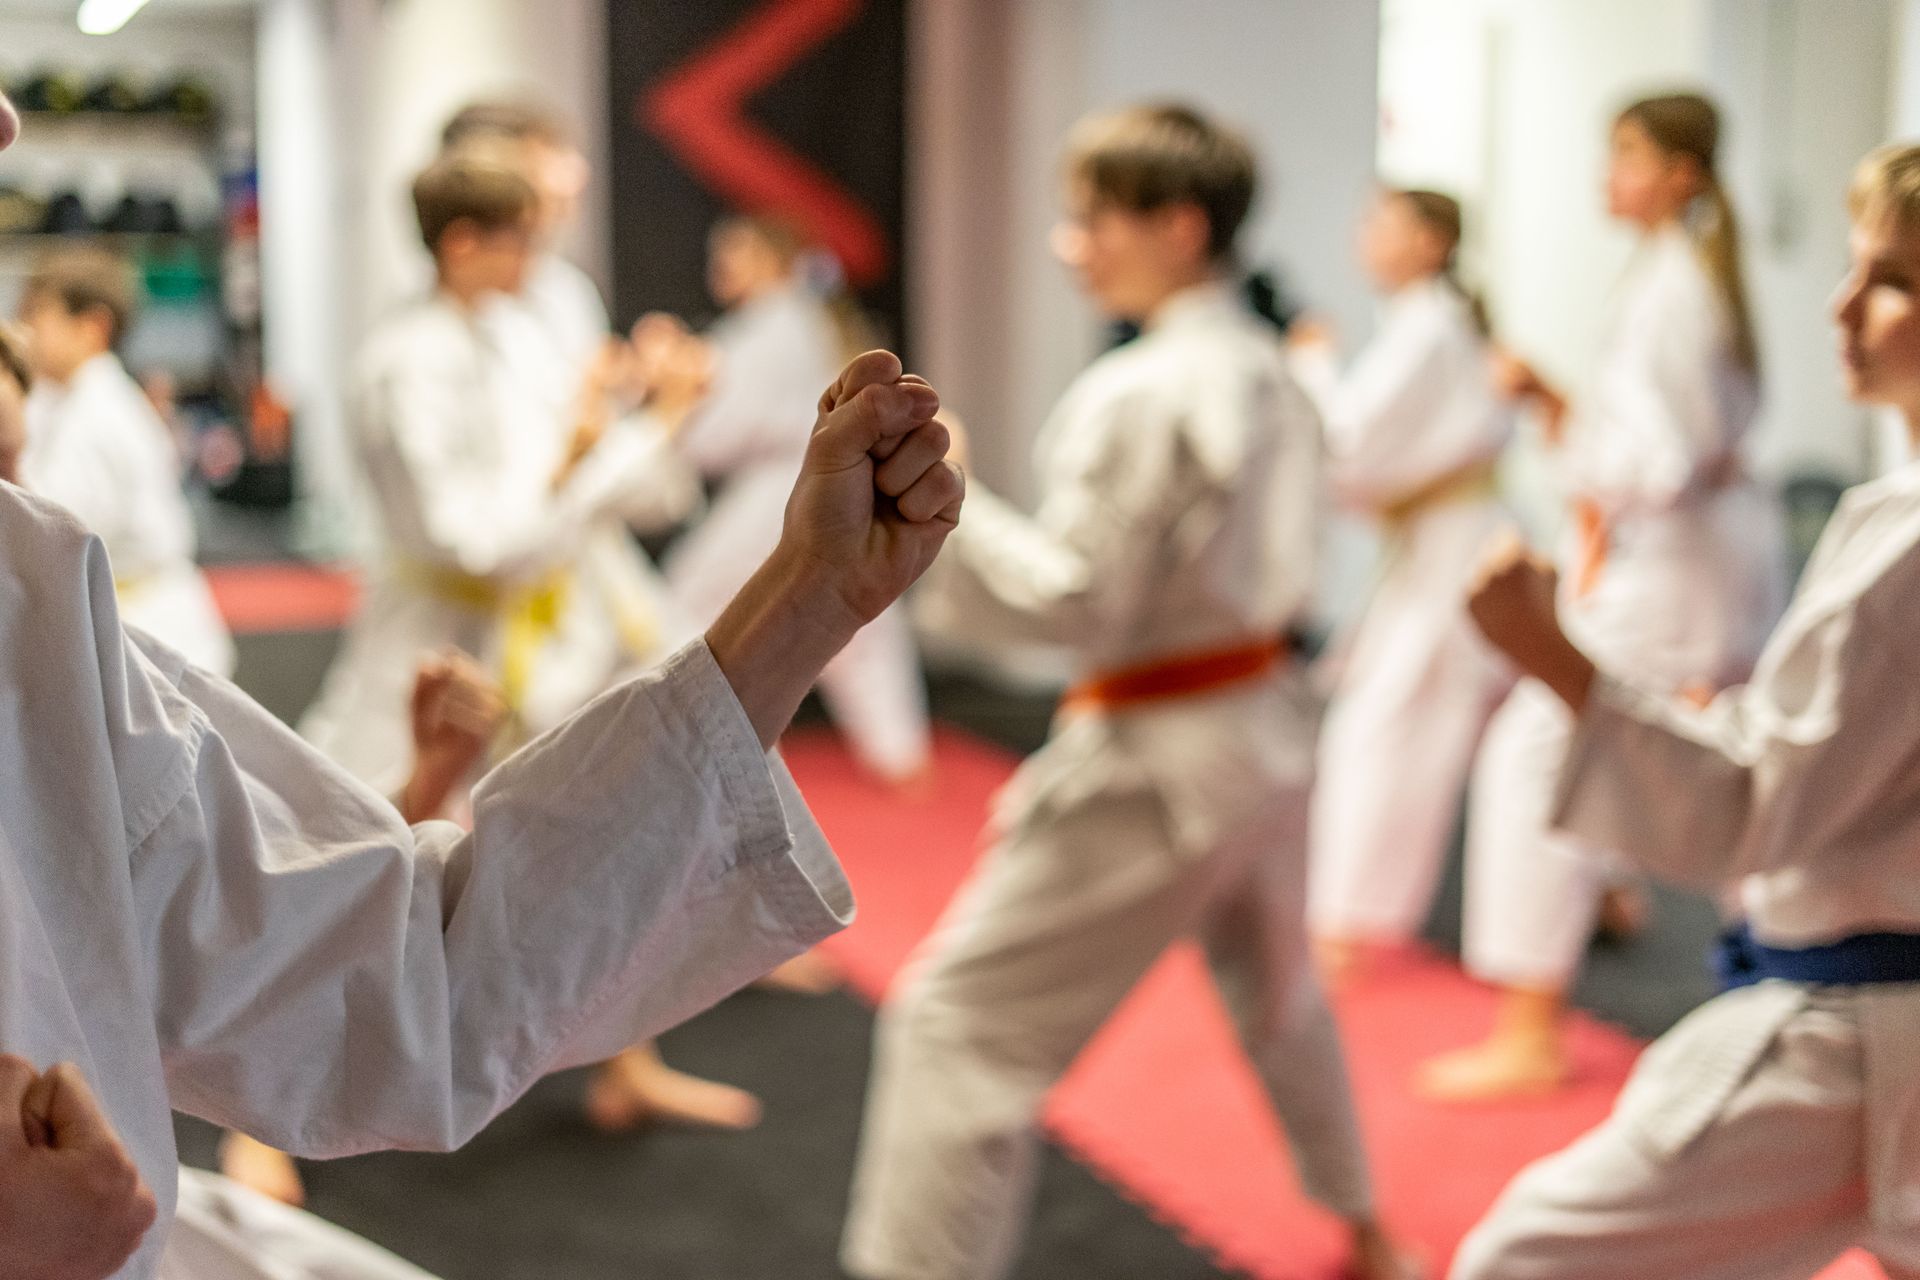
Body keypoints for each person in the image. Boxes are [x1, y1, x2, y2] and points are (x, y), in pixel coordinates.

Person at [0, 84, 967, 1274]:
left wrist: (802, 595)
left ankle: (623, 1059)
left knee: (360, 863)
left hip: (541, 621)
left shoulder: (24, 593)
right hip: (447, 615)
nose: (5, 125)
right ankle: (241, 1119)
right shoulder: (405, 360)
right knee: (352, 806)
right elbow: (482, 532)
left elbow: (402, 967)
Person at [840, 103, 1413, 1280]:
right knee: (1283, 995)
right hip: (1264, 727)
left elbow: (1074, 601)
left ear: (1179, 225)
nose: (1070, 243)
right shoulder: (1279, 367)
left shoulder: (1146, 387)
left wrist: (941, 483)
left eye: (1093, 217)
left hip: (1162, 750)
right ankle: (1367, 1223)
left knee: (959, 1025)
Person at [1449, 140, 1920, 1280]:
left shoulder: (1905, 543)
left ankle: (1526, 1022)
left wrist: (1555, 653)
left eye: (1890, 276)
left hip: (1862, 1029)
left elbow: (1757, 806)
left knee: (1517, 1259)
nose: (1842, 302)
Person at [1420, 92, 1787, 1101]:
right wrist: (1560, 411)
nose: (1606, 174)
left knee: (1537, 743)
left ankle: (1530, 1024)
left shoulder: (1678, 285)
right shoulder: (1684, 274)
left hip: (1675, 560)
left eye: (1625, 154)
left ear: (1678, 172)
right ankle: (1708, 940)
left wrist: (1556, 419)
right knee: (1722, 758)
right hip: (1701, 554)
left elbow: (1657, 464)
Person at [297, 148, 696, 797]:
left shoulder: (501, 331)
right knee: (390, 810)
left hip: (515, 613)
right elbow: (469, 539)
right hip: (437, 623)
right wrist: (583, 457)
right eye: (520, 240)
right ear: (462, 244)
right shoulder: (408, 363)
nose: (532, 259)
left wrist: (597, 428)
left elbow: (548, 471)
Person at [1289, 188, 1515, 976]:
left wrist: (1311, 361)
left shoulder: (1427, 327)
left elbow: (1343, 441)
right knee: (1479, 728)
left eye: (1382, 223)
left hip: (1453, 555)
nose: (1364, 235)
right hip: (1441, 543)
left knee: (1386, 730)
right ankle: (1613, 895)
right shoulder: (1432, 323)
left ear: (1430, 241)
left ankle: (1343, 928)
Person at [641, 216, 934, 789]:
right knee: (864, 626)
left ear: (771, 258)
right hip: (835, 482)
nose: (721, 264)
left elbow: (713, 438)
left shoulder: (766, 330)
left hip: (777, 491)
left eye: (736, 251)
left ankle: (646, 751)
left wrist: (668, 386)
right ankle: (903, 760)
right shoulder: (809, 319)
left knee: (686, 613)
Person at [14, 245, 235, 677]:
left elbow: (54, 535)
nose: (26, 331)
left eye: (38, 315)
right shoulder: (76, 400)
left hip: (151, 628)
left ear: (92, 326)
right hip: (140, 616)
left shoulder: (97, 415)